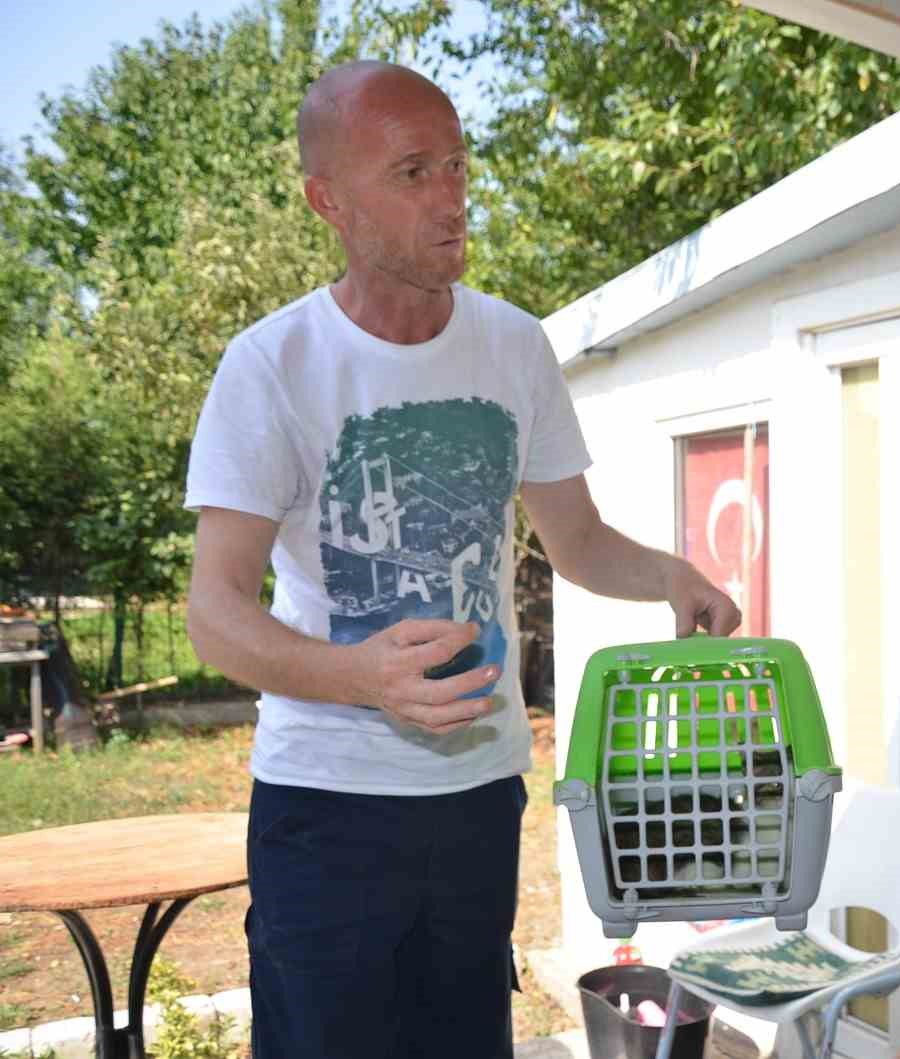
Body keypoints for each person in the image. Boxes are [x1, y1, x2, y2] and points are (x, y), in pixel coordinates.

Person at [184, 61, 739, 1059]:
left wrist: (670, 575)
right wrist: (359, 677)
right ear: (330, 202)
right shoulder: (272, 366)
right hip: (328, 804)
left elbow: (578, 541)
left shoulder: (513, 347)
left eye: (455, 165)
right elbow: (214, 612)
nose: (452, 198)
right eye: (411, 174)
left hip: (479, 796)